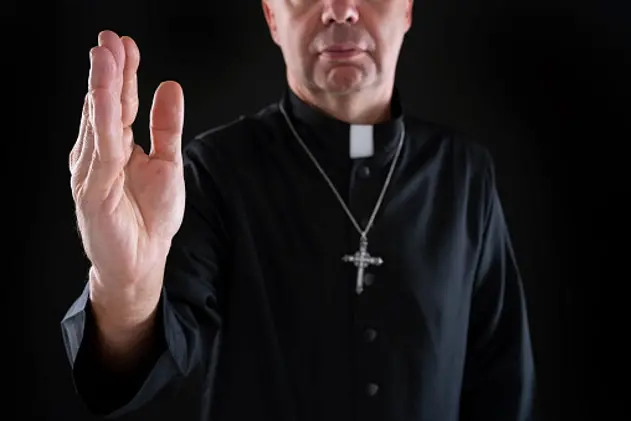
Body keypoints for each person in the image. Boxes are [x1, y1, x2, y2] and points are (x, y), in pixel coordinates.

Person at [61, 0, 536, 420]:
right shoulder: (212, 173)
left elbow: (501, 380)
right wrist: (124, 290)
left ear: (408, 8)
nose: (340, 9)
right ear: (271, 16)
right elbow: (150, 365)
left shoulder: (465, 173)